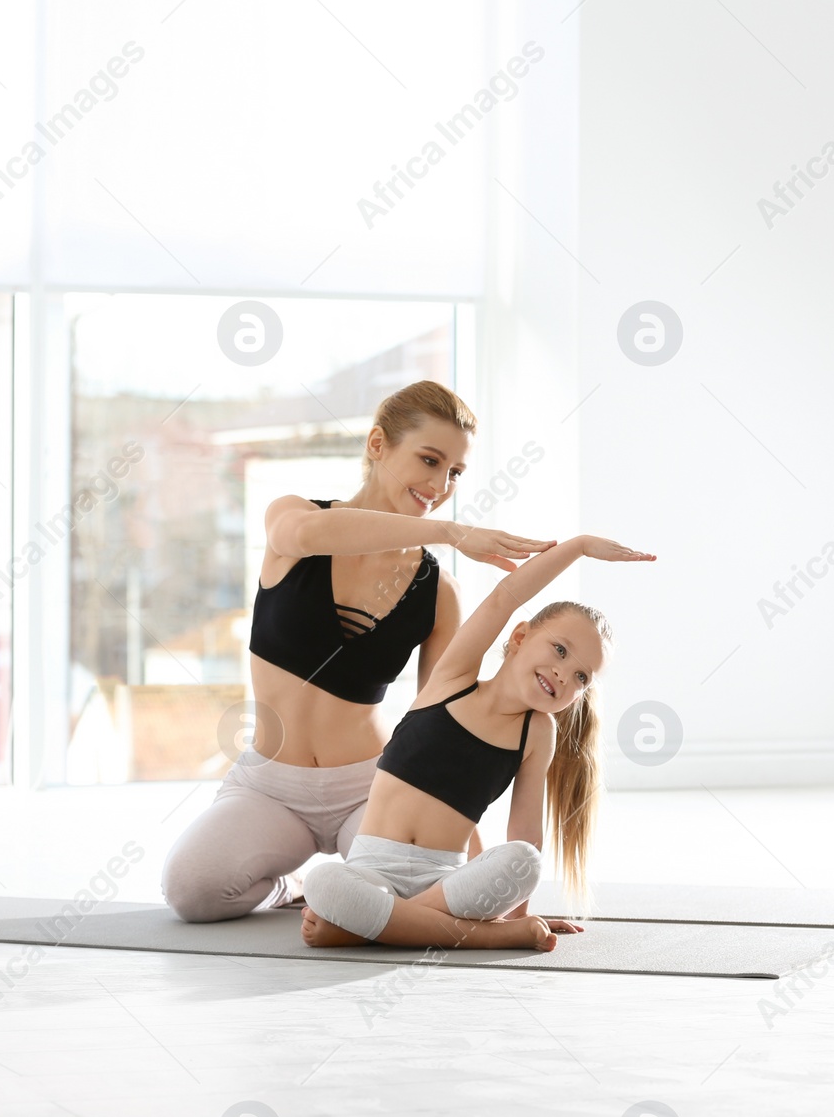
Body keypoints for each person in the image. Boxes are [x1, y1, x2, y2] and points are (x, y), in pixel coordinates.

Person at [161, 381, 557, 922]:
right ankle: (293, 886)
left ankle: (353, 889)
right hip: (271, 785)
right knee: (192, 892)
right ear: (377, 444)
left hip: (373, 787)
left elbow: (441, 723)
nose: (440, 484)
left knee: (419, 904)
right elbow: (306, 534)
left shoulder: (439, 593)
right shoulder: (295, 519)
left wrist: (467, 853)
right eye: (429, 459)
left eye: (455, 473)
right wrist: (449, 530)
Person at [299, 533, 655, 952]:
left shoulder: (538, 732)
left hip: (447, 881)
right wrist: (576, 548)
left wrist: (521, 911)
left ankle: (376, 925)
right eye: (560, 650)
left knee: (524, 861)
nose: (564, 675)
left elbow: (524, 832)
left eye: (581, 677)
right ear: (520, 636)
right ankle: (481, 936)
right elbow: (505, 596)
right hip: (373, 868)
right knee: (323, 881)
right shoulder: (454, 680)